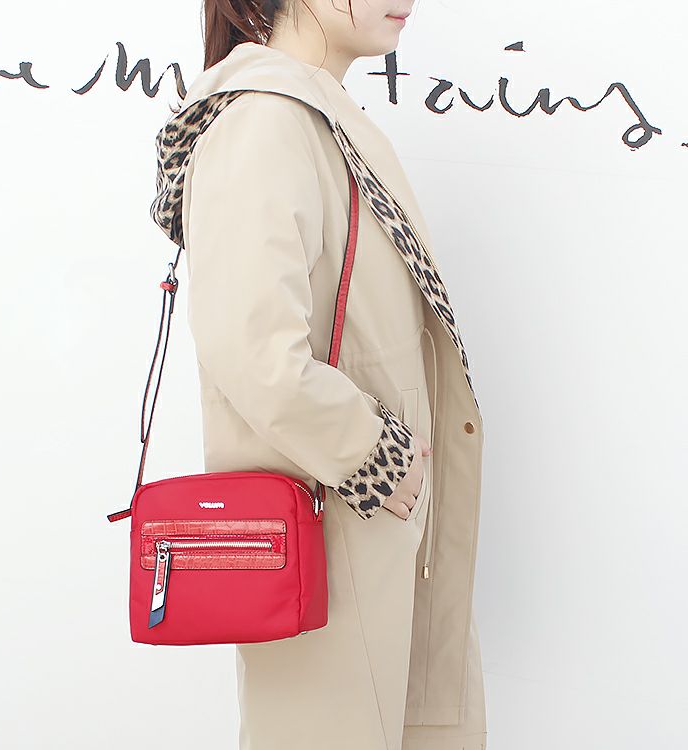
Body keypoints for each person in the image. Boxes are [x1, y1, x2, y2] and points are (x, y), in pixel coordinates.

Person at [149, 2, 487, 749]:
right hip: (329, 540)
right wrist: (378, 455)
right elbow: (253, 350)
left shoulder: (316, 117)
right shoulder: (265, 123)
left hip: (367, 533)